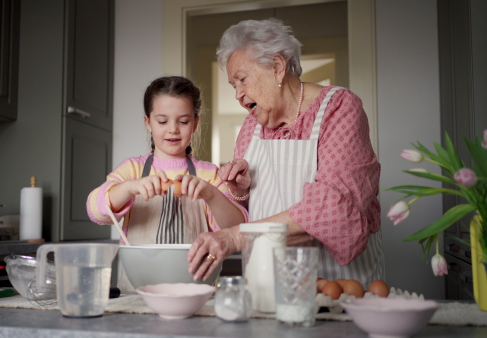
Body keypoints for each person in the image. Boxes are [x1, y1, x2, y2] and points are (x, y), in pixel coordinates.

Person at [187, 19, 385, 288]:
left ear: (277, 67)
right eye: (234, 86)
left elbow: (333, 210)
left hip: (338, 283)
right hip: (268, 282)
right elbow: (248, 215)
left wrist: (233, 238)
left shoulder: (339, 108)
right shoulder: (250, 128)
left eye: (242, 79)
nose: (238, 94)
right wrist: (241, 192)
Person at [87, 76, 248, 291]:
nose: (173, 129)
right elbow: (96, 210)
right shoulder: (132, 170)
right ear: (148, 123)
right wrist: (129, 188)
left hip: (195, 291)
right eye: (162, 121)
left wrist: (212, 195)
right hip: (135, 293)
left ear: (195, 124)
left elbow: (236, 229)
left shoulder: (208, 174)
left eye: (183, 121)